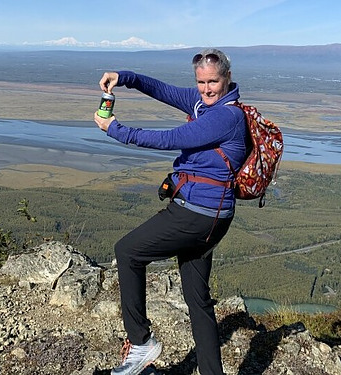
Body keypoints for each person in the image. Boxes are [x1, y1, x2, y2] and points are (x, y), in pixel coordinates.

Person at [93, 48, 248, 375]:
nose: (206, 89)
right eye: (201, 81)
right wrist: (126, 78)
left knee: (128, 251)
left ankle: (140, 342)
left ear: (227, 79)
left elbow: (174, 138)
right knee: (197, 299)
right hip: (210, 216)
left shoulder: (226, 116)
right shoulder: (204, 104)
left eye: (213, 82)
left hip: (198, 214)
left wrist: (116, 130)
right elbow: (164, 91)